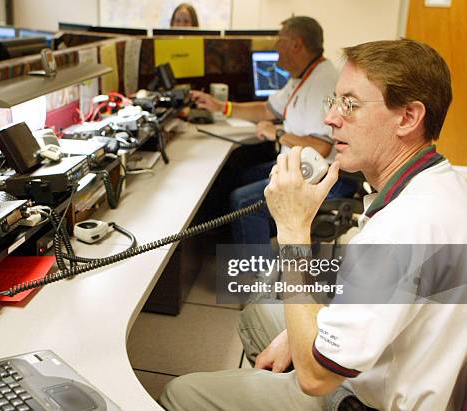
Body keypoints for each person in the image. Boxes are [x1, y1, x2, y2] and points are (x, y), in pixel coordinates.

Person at [160, 39, 467, 410]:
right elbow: (383, 297)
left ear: (407, 117)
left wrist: (292, 229)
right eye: (333, 101)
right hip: (391, 360)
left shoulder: (402, 227)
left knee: (180, 393)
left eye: (350, 105)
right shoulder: (441, 184)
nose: (331, 118)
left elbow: (316, 378)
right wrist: (305, 333)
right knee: (260, 315)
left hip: (365, 398)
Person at [191, 16, 355, 245]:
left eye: (279, 40)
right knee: (240, 177)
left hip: (322, 175)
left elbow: (321, 146)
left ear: (296, 44)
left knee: (243, 202)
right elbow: (266, 109)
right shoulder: (305, 76)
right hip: (300, 164)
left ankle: (253, 273)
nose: (275, 46)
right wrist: (221, 107)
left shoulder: (322, 83)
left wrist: (277, 134)